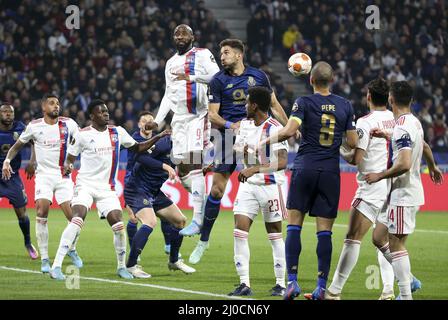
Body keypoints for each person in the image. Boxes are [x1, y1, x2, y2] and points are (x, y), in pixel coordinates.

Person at [261, 61, 358, 300]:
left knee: (294, 225)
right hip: (330, 172)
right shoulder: (345, 105)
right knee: (324, 232)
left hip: (305, 169)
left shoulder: (303, 102)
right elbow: (353, 143)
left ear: (311, 80)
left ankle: (292, 282)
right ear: (332, 81)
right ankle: (321, 287)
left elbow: (288, 131)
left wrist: (262, 143)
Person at [187, 38, 288, 265]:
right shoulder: (218, 81)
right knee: (216, 191)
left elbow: (273, 104)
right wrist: (233, 126)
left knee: (268, 177)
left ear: (239, 55)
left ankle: (275, 231)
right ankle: (203, 241)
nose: (221, 57)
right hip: (229, 137)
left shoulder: (258, 76)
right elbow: (212, 115)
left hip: (259, 134)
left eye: (225, 53)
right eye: (220, 53)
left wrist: (290, 125)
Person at [48, 99, 169, 280]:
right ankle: (56, 266)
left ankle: (121, 267)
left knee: (118, 225)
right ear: (92, 116)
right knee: (77, 217)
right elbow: (71, 158)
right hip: (85, 186)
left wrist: (158, 137)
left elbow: (138, 148)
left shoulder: (117, 132)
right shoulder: (82, 135)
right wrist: (68, 166)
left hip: (107, 188)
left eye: (106, 111)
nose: (106, 114)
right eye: (101, 112)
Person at [365, 81, 444, 300]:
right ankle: (409, 279)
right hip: (398, 193)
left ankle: (405, 294)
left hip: (403, 193)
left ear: (390, 99)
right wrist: (433, 166)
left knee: (396, 244)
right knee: (378, 237)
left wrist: (379, 175)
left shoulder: (401, 126)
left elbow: (405, 163)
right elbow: (425, 146)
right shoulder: (413, 122)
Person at [149, 24, 220, 235]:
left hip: (199, 116)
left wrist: (193, 78)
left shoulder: (202, 54)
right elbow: (168, 94)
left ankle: (198, 219)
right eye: (176, 34)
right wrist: (158, 120)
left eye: (184, 33)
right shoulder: (170, 63)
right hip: (179, 120)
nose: (180, 36)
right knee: (181, 170)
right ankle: (203, 201)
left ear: (192, 37)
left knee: (193, 160)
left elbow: (218, 78)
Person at [2, 94, 83, 273]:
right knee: (41, 210)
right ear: (43, 107)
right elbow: (17, 145)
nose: (56, 106)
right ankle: (45, 259)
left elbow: (80, 141)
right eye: (52, 103)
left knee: (74, 217)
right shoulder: (34, 126)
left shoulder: (69, 124)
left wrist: (71, 161)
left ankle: (72, 249)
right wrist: (7, 161)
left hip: (64, 177)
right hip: (44, 176)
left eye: (58, 103)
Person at [228, 87, 288, 297]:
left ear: (255, 105)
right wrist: (244, 152)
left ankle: (281, 284)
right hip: (248, 187)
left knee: (274, 234)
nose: (245, 106)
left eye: (247, 102)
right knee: (239, 231)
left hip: (272, 187)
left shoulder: (275, 128)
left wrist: (255, 167)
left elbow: (282, 161)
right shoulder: (244, 125)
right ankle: (244, 283)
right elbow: (238, 149)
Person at [124, 114, 195, 278]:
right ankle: (131, 265)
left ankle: (174, 261)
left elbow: (189, 168)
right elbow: (140, 156)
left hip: (154, 191)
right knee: (150, 222)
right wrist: (165, 166)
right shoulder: (163, 143)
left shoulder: (185, 149)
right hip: (137, 188)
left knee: (180, 221)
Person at [124, 111, 180, 258]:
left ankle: (168, 244)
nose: (147, 123)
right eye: (144, 121)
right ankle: (134, 251)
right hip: (133, 180)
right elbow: (140, 156)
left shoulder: (159, 141)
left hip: (149, 182)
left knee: (165, 216)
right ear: (139, 124)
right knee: (134, 218)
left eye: (150, 120)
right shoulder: (134, 138)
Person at [0, 103, 38, 259]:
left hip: (12, 176)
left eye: (11, 112)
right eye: (5, 112)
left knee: (21, 213)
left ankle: (28, 243)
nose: (8, 114)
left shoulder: (20, 127)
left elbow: (35, 142)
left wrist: (32, 161)